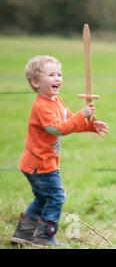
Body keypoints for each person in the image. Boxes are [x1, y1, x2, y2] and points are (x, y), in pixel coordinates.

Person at [11, 55, 109, 247]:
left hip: (42, 162)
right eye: (51, 75)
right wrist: (82, 115)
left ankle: (23, 233)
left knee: (42, 197)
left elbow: (69, 121)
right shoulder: (42, 106)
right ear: (35, 82)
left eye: (59, 74)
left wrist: (90, 125)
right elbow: (58, 128)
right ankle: (45, 236)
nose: (58, 78)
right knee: (56, 196)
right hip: (40, 163)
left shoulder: (56, 101)